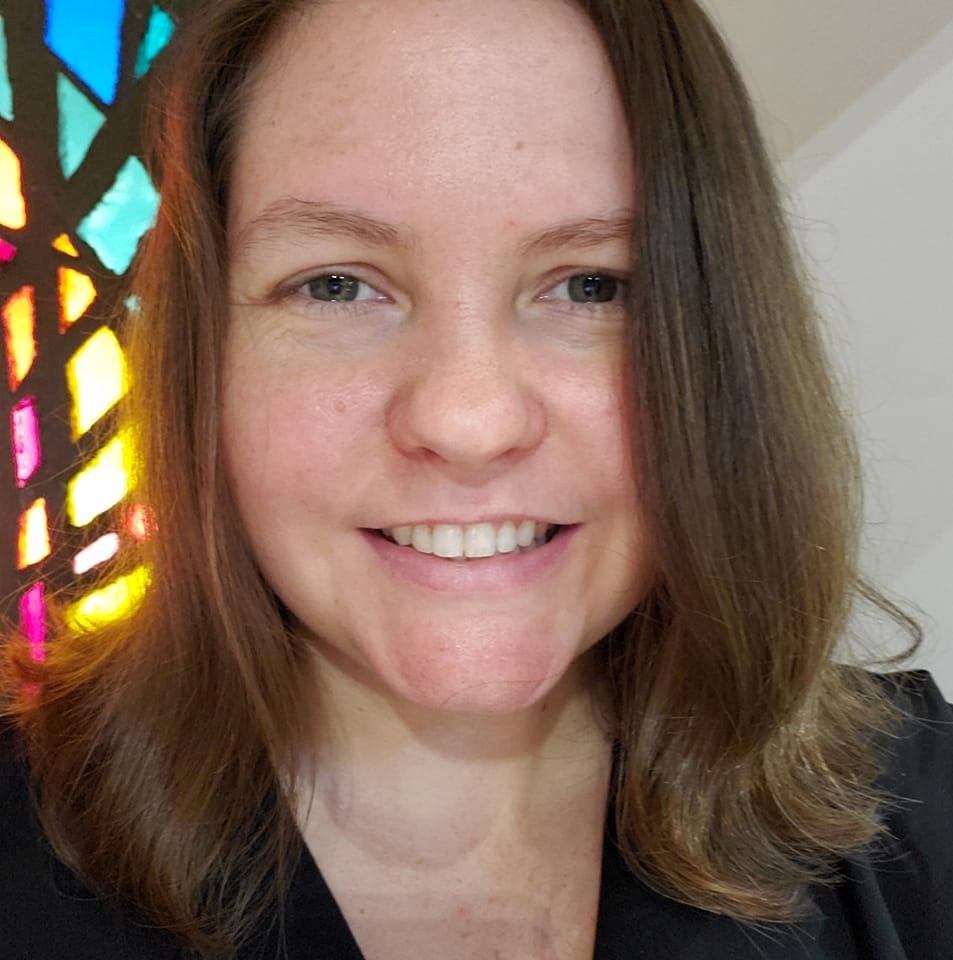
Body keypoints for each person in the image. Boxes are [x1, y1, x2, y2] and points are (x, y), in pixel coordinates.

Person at [1, 0, 950, 957]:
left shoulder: (925, 807)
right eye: (335, 284)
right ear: (200, 355)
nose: (468, 421)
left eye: (592, 284)